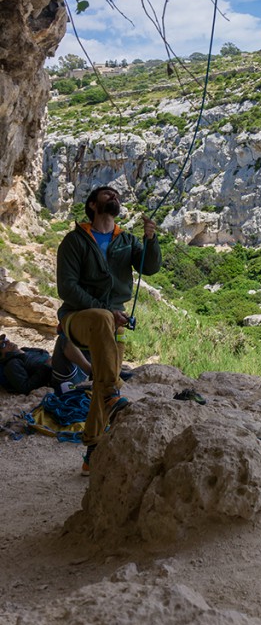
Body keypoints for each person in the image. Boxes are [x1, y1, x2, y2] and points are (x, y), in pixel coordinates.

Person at [56, 185, 162, 473]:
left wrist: (150, 240)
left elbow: (149, 268)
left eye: (117, 194)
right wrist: (105, 310)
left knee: (106, 377)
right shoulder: (74, 241)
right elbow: (67, 287)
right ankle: (111, 395)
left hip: (113, 322)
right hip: (77, 318)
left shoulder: (125, 240)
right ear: (92, 205)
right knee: (107, 367)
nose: (114, 196)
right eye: (107, 194)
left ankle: (92, 451)